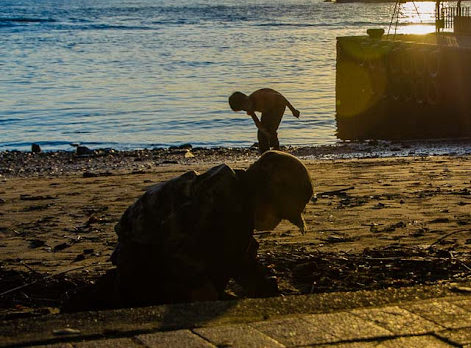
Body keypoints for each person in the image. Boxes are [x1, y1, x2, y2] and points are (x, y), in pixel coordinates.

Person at [65, 151, 313, 311]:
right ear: (264, 194)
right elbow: (178, 243)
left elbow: (241, 258)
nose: (276, 224)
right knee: (144, 297)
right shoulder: (218, 199)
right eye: (279, 215)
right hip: (143, 254)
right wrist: (200, 290)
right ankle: (97, 298)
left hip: (164, 252)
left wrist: (263, 288)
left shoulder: (237, 206)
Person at [229, 88, 300, 154]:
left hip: (278, 105)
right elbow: (256, 121)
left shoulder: (259, 97)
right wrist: (262, 129)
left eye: (243, 107)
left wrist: (293, 110)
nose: (245, 110)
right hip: (267, 110)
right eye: (242, 109)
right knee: (261, 133)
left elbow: (281, 98)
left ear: (246, 100)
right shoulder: (248, 107)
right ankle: (265, 154)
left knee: (271, 129)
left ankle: (276, 150)